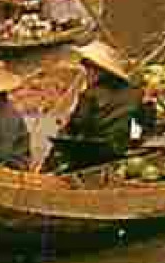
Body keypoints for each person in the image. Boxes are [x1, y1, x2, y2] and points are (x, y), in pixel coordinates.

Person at [48, 40, 155, 174]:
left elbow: (78, 124)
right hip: (121, 149)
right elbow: (145, 124)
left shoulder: (91, 94)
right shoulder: (135, 92)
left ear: (100, 71)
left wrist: (66, 124)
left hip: (97, 152)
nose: (86, 72)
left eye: (88, 67)